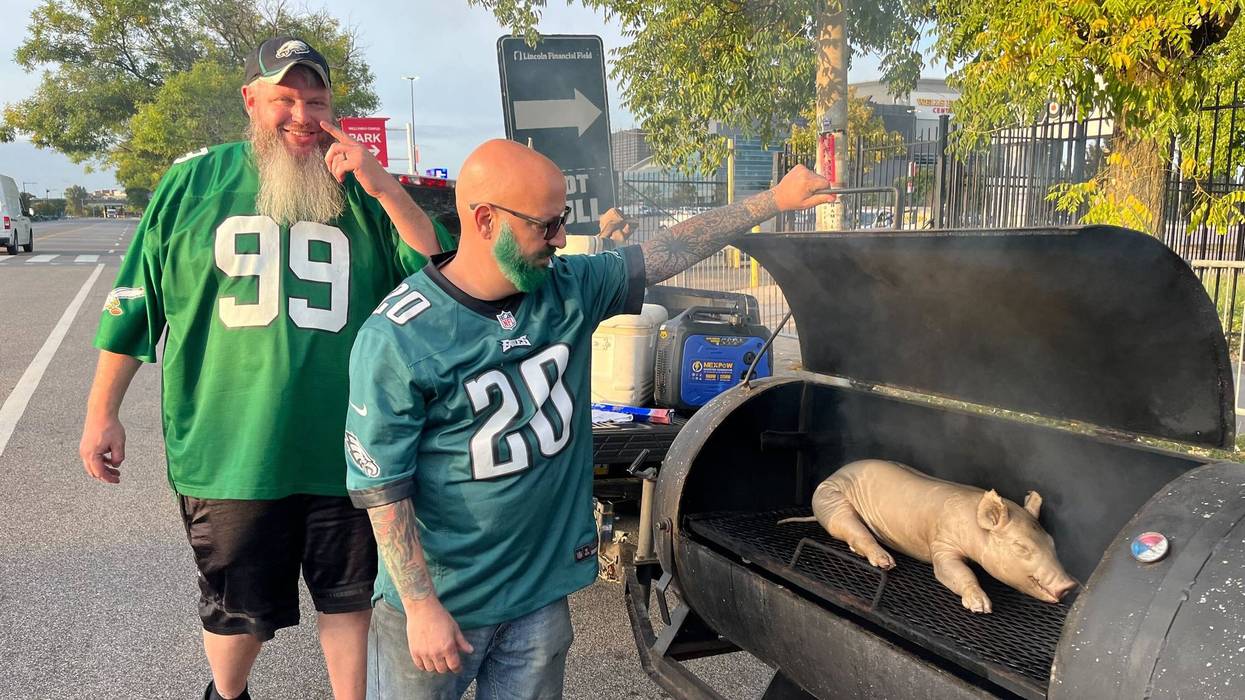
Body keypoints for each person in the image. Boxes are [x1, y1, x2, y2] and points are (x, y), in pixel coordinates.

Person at [344, 138, 833, 698]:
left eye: (563, 221)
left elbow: (669, 248)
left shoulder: (569, 287)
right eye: (545, 226)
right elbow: (381, 485)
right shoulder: (400, 335)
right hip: (441, 607)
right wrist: (420, 605)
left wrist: (773, 199)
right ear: (484, 220)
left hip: (538, 599)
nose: (560, 239)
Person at [77, 36, 454, 700]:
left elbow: (436, 270)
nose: (302, 117)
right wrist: (101, 412)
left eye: (316, 100)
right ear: (252, 100)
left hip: (348, 443)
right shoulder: (193, 184)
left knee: (349, 595)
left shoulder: (359, 189)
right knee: (239, 609)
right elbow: (137, 301)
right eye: (284, 99)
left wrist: (380, 181)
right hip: (232, 449)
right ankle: (226, 694)